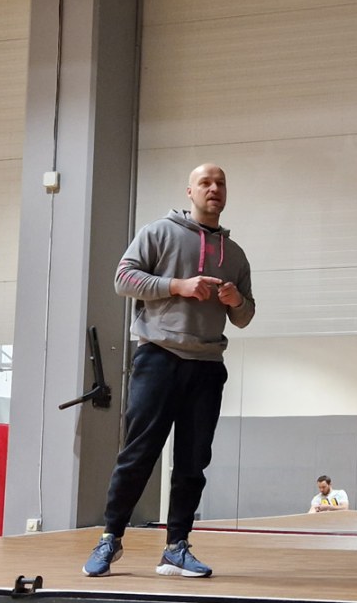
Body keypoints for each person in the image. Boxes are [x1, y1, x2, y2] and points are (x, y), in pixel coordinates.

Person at [84, 163, 254, 579]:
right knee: (138, 454)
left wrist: (235, 301)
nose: (214, 189)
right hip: (158, 358)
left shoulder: (235, 255)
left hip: (207, 366)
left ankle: (177, 547)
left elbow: (245, 317)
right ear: (190, 192)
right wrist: (178, 285)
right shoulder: (158, 232)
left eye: (220, 183)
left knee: (193, 463)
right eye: (205, 183)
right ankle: (110, 538)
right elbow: (123, 279)